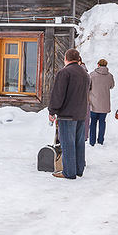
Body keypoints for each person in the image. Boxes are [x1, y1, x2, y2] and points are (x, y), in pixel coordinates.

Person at [48, 48, 89, 179]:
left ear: (66, 58)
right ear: (78, 59)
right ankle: (78, 169)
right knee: (79, 143)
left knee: (68, 143)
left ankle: (69, 172)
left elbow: (58, 94)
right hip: (81, 113)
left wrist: (52, 110)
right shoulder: (85, 73)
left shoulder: (64, 73)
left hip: (67, 114)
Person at [88, 59, 115, 146]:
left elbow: (88, 86)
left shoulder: (92, 75)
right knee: (102, 122)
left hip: (94, 102)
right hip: (105, 103)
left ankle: (92, 141)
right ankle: (100, 140)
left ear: (98, 65)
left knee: (93, 122)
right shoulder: (110, 76)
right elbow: (112, 86)